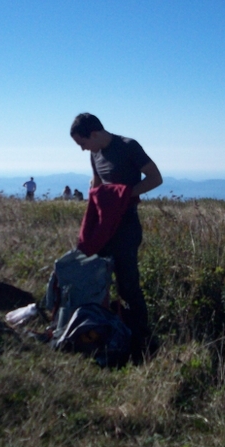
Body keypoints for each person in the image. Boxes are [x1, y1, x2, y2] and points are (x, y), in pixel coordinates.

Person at [70, 112, 163, 361]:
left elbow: (156, 178)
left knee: (128, 285)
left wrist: (124, 195)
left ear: (95, 134)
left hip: (126, 226)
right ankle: (105, 329)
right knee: (98, 278)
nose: (82, 149)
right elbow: (97, 182)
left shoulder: (128, 146)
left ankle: (142, 340)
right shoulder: (95, 153)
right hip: (104, 227)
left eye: (82, 143)